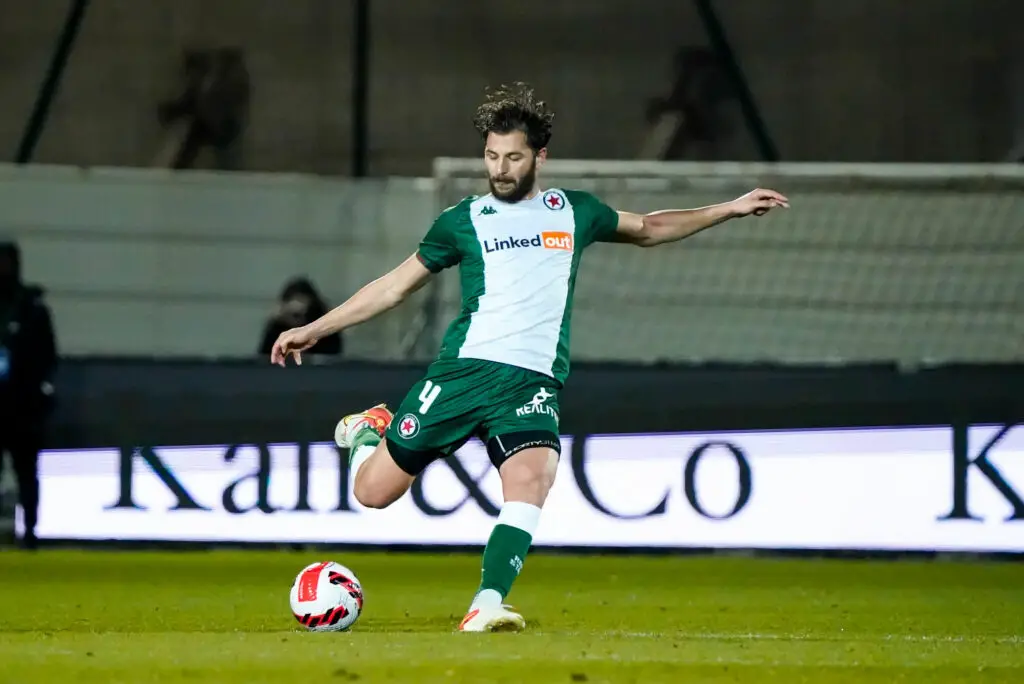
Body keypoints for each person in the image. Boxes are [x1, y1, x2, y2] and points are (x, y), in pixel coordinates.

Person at [270, 83, 788, 632]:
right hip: (465, 372)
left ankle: (487, 602)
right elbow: (394, 287)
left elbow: (650, 228)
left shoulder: (574, 211)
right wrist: (315, 328)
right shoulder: (462, 220)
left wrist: (729, 208)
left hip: (533, 381)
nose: (500, 169)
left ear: (540, 157)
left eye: (512, 157)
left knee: (533, 478)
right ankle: (368, 430)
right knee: (372, 494)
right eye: (491, 156)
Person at [0, 240, 58, 550]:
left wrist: (35, 389)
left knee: (27, 472)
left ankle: (31, 531)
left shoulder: (32, 309)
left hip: (23, 406)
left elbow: (48, 356)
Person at [259, 277, 342, 357]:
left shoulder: (323, 328)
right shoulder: (278, 326)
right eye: (294, 315)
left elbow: (330, 356)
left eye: (306, 313)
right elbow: (265, 357)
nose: (298, 321)